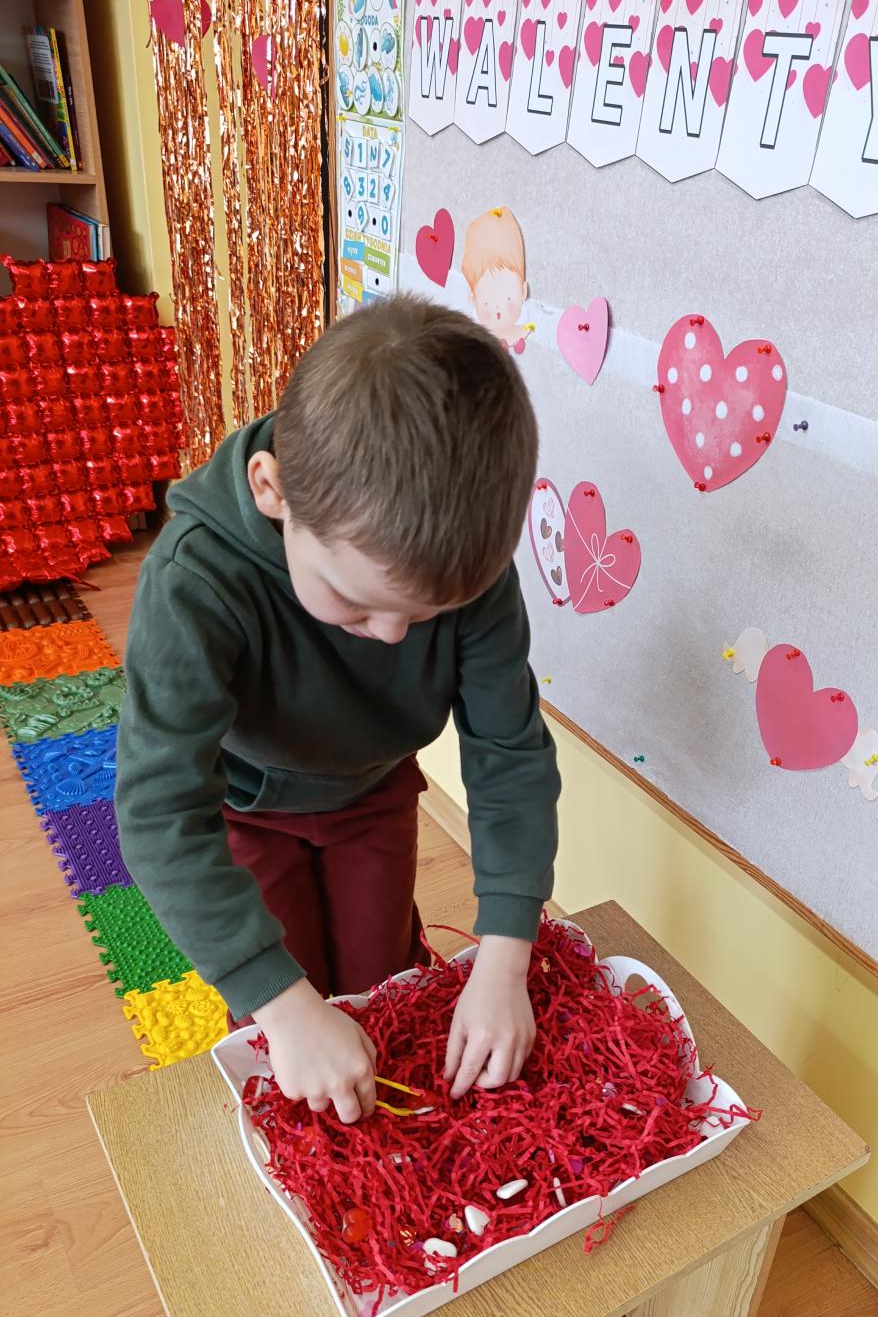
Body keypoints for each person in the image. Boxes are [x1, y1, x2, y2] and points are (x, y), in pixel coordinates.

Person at [116, 293, 559, 1124]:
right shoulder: (194, 579)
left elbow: (509, 754)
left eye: (423, 617)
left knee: (380, 983)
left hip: (373, 792)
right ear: (272, 489)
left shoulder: (462, 568)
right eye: (356, 605)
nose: (391, 636)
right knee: (284, 1012)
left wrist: (504, 960)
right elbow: (159, 812)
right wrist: (284, 1010)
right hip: (247, 805)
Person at [461, 206, 530, 352]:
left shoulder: (526, 329)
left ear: (523, 290)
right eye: (486, 303)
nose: (498, 308)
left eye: (508, 299)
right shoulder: (475, 336)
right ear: (473, 299)